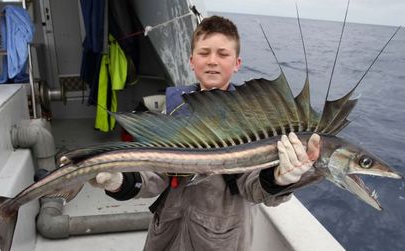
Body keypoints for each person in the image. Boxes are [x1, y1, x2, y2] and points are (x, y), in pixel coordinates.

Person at [89, 15, 320, 250]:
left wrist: (279, 179)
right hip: (166, 234)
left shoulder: (252, 118)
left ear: (237, 63)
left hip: (221, 240)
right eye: (204, 53)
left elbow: (252, 187)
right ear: (191, 61)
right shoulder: (175, 107)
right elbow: (158, 174)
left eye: (223, 54)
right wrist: (120, 181)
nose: (212, 61)